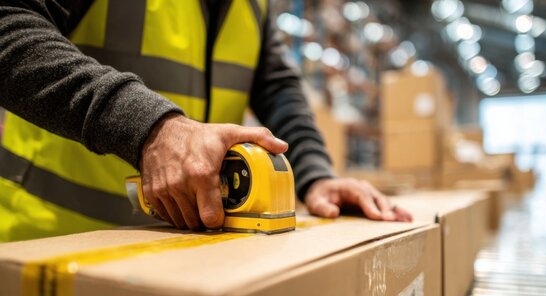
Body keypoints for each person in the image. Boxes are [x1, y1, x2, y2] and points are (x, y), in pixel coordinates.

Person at [0, 0, 411, 242]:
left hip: (187, 255)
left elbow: (275, 85)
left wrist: (314, 175)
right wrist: (151, 128)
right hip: (56, 246)